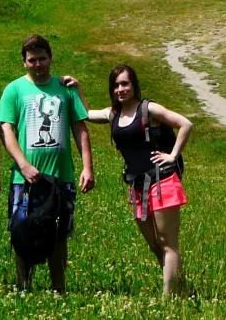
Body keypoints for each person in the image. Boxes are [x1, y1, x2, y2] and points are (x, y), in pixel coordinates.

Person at [76, 66, 193, 295]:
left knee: (167, 242)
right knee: (154, 244)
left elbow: (185, 124)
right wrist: (77, 88)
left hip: (163, 181)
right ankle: (183, 289)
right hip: (138, 186)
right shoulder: (113, 115)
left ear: (134, 85)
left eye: (125, 84)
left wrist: (172, 155)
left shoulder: (149, 109)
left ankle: (168, 300)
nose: (120, 89)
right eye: (116, 85)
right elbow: (86, 114)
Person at [0, 35, 94, 292]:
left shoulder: (64, 89)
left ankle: (58, 288)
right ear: (24, 62)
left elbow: (80, 129)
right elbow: (6, 130)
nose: (37, 64)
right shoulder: (14, 90)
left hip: (60, 176)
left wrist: (87, 167)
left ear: (50, 58)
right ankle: (23, 285)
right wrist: (23, 165)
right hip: (25, 178)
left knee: (59, 235)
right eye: (32, 60)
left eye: (42, 59)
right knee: (22, 233)